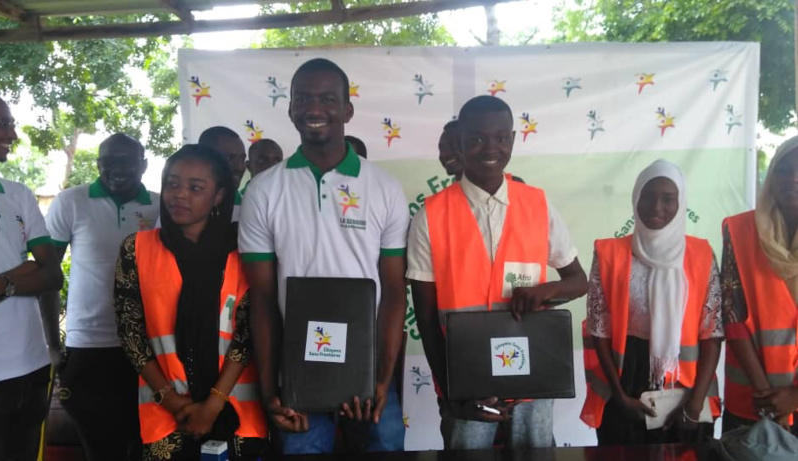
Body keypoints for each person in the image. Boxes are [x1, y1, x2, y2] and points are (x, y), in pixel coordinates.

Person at [240, 58, 408, 454]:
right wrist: (271, 391)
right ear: (291, 108)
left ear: (347, 110)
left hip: (368, 376)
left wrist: (383, 379)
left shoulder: (384, 187)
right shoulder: (263, 191)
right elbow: (262, 300)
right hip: (298, 375)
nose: (315, 109)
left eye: (327, 99)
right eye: (304, 99)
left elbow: (395, 292)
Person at [407, 95, 588, 450]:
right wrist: (452, 391)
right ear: (459, 143)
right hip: (468, 377)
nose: (490, 147)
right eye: (476, 138)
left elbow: (578, 280)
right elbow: (426, 319)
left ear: (513, 140)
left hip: (531, 370)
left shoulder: (537, 203)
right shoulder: (429, 216)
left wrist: (545, 291)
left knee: (535, 452)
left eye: (501, 138)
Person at [114, 144, 268, 460]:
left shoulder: (245, 249)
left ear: (219, 196)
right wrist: (173, 401)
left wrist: (213, 404)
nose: (179, 194)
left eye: (195, 187)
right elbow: (130, 332)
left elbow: (248, 332)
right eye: (172, 183)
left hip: (237, 411)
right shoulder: (137, 249)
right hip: (167, 412)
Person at [581, 159, 723, 445]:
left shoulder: (701, 254)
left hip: (688, 382)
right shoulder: (609, 253)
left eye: (668, 199)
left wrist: (695, 404)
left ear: (680, 202)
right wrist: (620, 396)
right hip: (625, 377)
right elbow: (600, 330)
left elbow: (712, 333)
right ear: (636, 198)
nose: (656, 207)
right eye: (648, 196)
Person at [44, 133, 158, 461]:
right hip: (87, 347)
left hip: (144, 346)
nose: (117, 169)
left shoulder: (159, 204)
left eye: (128, 161)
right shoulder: (71, 201)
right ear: (98, 164)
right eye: (109, 161)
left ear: (144, 165)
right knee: (98, 445)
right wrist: (53, 343)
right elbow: (48, 278)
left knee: (144, 442)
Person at [0, 82, 63, 459]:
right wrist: (18, 279)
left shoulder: (18, 194)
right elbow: (37, 272)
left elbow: (52, 275)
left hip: (32, 366)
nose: (12, 134)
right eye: (1, 123)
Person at [722, 136, 798, 434]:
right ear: (771, 176)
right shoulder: (740, 230)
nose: (792, 178)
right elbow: (732, 314)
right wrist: (768, 395)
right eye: (783, 169)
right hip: (753, 398)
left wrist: (793, 397)